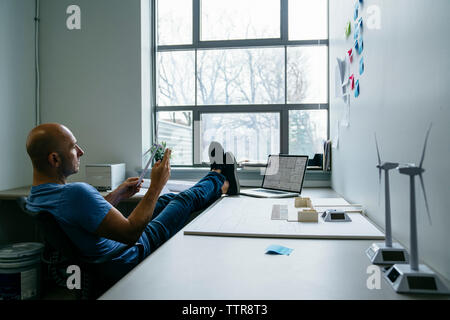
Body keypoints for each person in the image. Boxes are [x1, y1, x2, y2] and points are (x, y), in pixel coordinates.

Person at [25, 123, 239, 283]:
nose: (81, 151)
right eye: (73, 147)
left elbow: (83, 218)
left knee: (166, 199)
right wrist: (156, 184)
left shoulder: (36, 198)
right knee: (182, 200)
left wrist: (117, 195)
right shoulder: (75, 193)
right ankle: (220, 178)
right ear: (54, 159)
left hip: (106, 256)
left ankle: (220, 183)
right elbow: (131, 233)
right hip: (128, 253)